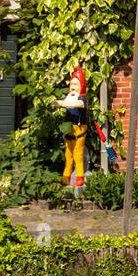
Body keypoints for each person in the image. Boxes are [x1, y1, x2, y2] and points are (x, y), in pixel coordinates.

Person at [54, 66, 88, 195]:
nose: (73, 86)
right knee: (68, 154)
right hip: (69, 128)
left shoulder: (82, 98)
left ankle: (80, 177)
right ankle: (66, 176)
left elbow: (78, 105)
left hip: (79, 129)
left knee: (78, 155)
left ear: (81, 85)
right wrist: (57, 103)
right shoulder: (69, 97)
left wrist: (61, 103)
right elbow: (65, 103)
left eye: (76, 83)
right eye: (72, 83)